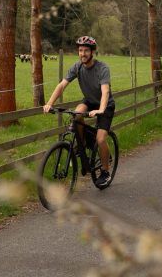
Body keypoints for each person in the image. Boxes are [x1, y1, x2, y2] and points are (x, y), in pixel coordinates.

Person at [43, 36, 115, 187]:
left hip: (105, 105)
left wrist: (101, 109)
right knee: (76, 116)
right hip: (89, 100)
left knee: (101, 139)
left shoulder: (102, 68)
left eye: (86, 51)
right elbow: (62, 85)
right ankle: (82, 145)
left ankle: (105, 171)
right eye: (80, 50)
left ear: (92, 52)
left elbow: (105, 91)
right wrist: (49, 103)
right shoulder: (77, 67)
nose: (83, 54)